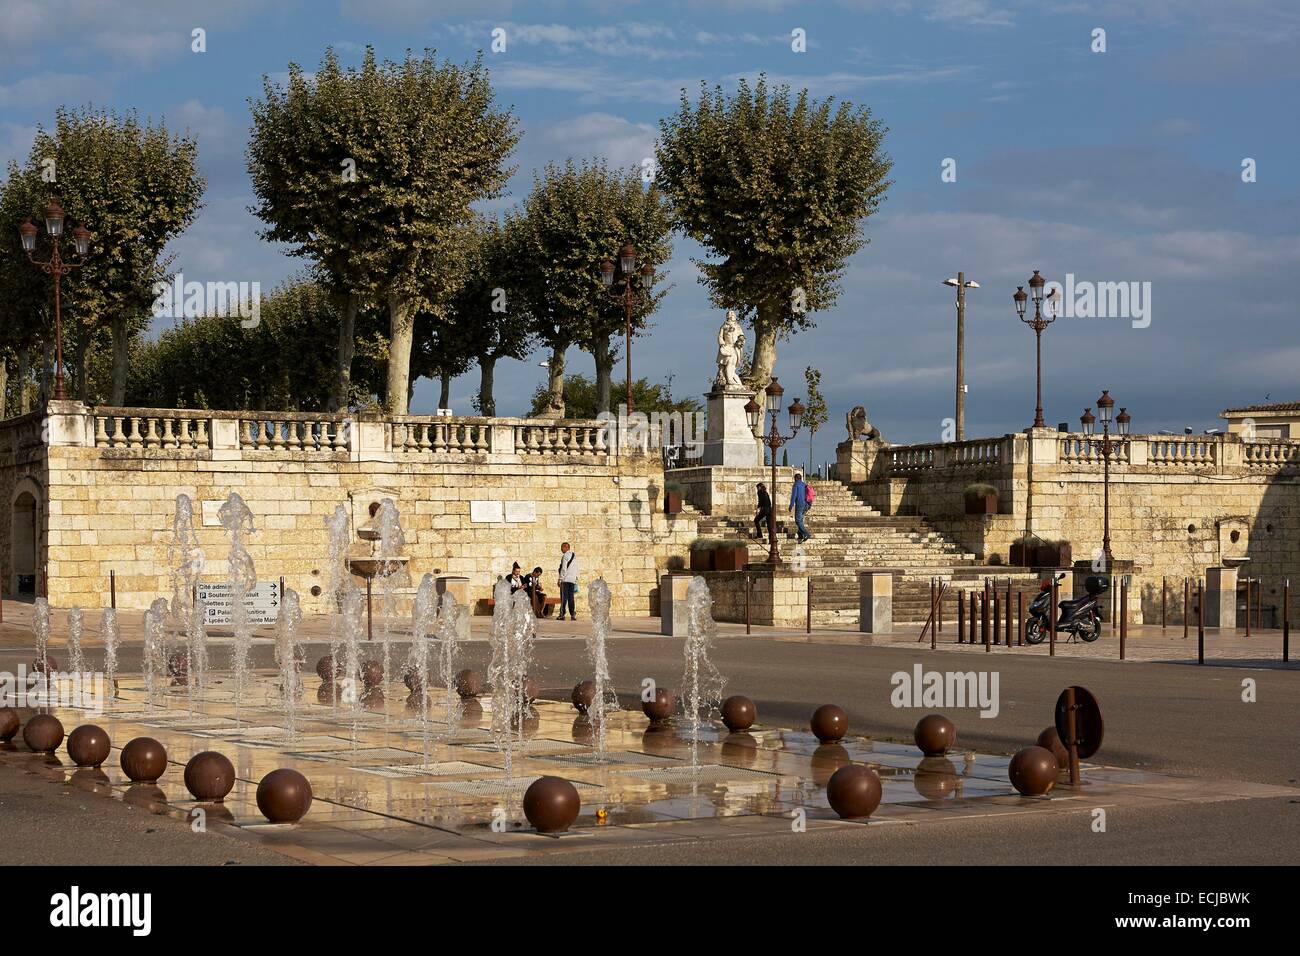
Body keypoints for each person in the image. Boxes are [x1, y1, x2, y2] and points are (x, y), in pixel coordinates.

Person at [557, 542, 579, 620]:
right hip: (572, 580)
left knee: (564, 598)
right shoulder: (574, 556)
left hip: (565, 580)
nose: (561, 549)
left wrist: (560, 579)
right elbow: (577, 568)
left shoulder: (565, 556)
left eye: (562, 547)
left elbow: (563, 569)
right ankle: (572, 615)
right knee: (571, 598)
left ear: (566, 547)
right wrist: (576, 578)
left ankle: (562, 614)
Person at [789, 471, 812, 543]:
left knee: (798, 520)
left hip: (800, 504)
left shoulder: (796, 485)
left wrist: (791, 505)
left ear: (796, 478)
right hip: (807, 504)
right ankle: (800, 534)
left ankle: (806, 534)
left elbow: (794, 496)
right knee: (801, 520)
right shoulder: (804, 484)